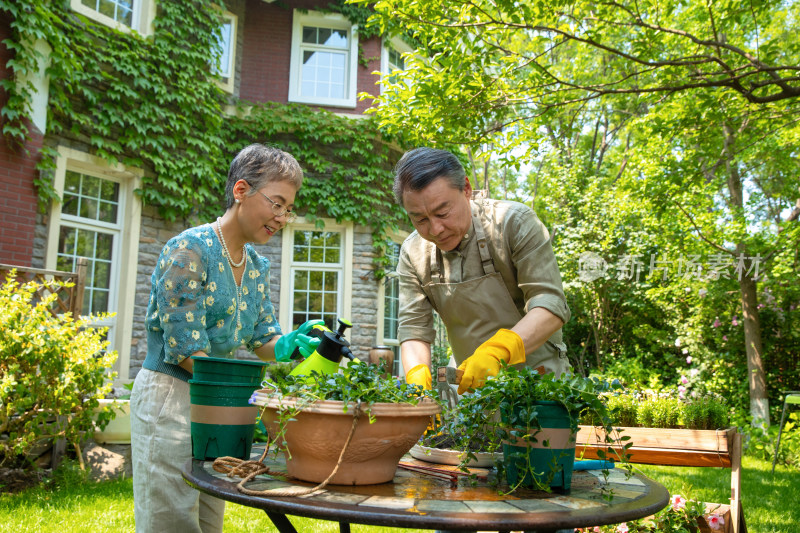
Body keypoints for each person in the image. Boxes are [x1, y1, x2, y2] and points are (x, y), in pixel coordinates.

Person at [130, 144, 319, 533]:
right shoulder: (189, 251)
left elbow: (263, 336)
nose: (283, 217)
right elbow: (185, 351)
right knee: (171, 520)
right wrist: (248, 400)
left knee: (209, 517)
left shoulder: (255, 265)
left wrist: (286, 346)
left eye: (289, 209)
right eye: (277, 204)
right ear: (241, 190)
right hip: (173, 397)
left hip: (218, 401)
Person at [394, 147, 571, 395]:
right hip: (470, 392)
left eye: (443, 213)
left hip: (541, 388)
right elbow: (414, 329)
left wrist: (498, 352)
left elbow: (551, 304)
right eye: (420, 220)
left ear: (466, 189)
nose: (435, 229)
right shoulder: (413, 252)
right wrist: (417, 384)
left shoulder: (513, 223)